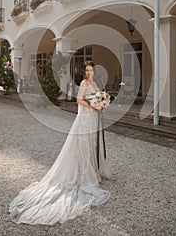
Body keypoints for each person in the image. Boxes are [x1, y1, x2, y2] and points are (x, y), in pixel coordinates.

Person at [9, 60, 111, 225]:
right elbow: (79, 100)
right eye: (87, 70)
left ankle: (94, 169)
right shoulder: (84, 83)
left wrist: (102, 104)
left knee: (92, 144)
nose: (90, 73)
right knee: (83, 145)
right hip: (85, 118)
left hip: (93, 119)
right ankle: (82, 172)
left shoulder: (95, 83)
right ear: (84, 72)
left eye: (92, 70)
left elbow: (98, 97)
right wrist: (94, 106)